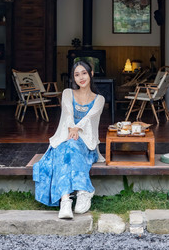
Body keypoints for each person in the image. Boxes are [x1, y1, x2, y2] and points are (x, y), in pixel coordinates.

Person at [33, 61, 105, 219]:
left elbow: (89, 117)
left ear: (91, 74)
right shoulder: (67, 93)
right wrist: (72, 129)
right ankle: (71, 197)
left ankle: (76, 195)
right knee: (68, 146)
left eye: (84, 73)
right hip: (66, 139)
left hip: (87, 144)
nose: (81, 77)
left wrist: (76, 129)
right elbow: (68, 112)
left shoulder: (99, 99)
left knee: (69, 147)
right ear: (73, 78)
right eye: (77, 74)